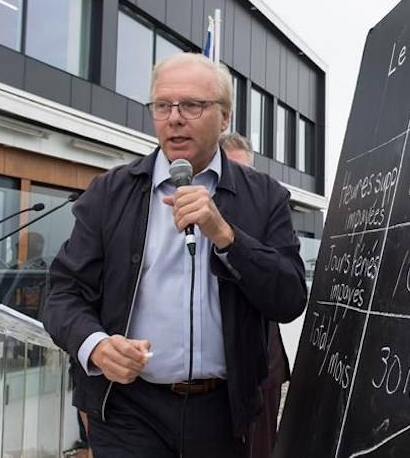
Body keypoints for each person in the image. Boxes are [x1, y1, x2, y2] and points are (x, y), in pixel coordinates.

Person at [43, 52, 307, 458]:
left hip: (222, 412)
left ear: (224, 118)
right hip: (129, 408)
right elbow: (62, 294)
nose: (174, 118)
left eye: (192, 105)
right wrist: (95, 345)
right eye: (163, 105)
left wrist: (225, 235)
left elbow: (289, 298)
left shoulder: (265, 197)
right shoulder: (110, 193)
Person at [219, 133, 291, 458]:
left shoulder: (269, 214)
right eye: (232, 171)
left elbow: (287, 289)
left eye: (247, 172)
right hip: (210, 376)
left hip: (263, 366)